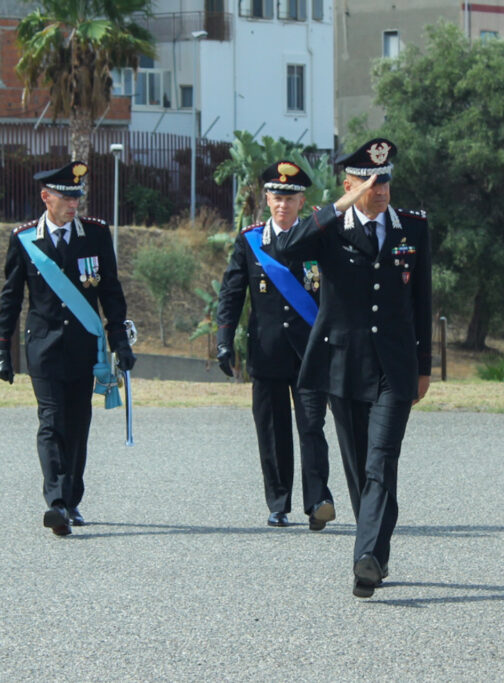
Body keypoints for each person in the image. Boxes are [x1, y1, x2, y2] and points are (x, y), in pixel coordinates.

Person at [274, 139, 432, 597]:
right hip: (342, 364)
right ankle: (376, 551)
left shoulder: (412, 227)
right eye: (369, 183)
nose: (379, 190)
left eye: (384, 182)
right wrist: (338, 207)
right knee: (360, 466)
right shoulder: (329, 227)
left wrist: (424, 366)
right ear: (350, 186)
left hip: (394, 368)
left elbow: (422, 299)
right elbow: (286, 248)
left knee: (381, 460)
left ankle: (366, 560)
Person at [0, 161, 136, 537]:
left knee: (77, 424)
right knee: (51, 421)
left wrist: (120, 341)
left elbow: (111, 292)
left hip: (84, 347)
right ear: (46, 197)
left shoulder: (95, 235)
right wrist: (2, 348)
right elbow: (10, 299)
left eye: (77, 197)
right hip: (43, 347)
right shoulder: (25, 239)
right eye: (66, 198)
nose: (74, 204)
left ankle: (71, 501)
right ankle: (56, 503)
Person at [216, 161, 335, 531]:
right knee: (272, 430)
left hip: (310, 353)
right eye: (277, 197)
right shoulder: (251, 241)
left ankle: (317, 501)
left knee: (312, 427)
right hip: (267, 352)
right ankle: (278, 503)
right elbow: (232, 294)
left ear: (302, 202)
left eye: (290, 198)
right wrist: (224, 341)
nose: (283, 204)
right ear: (267, 199)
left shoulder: (318, 238)